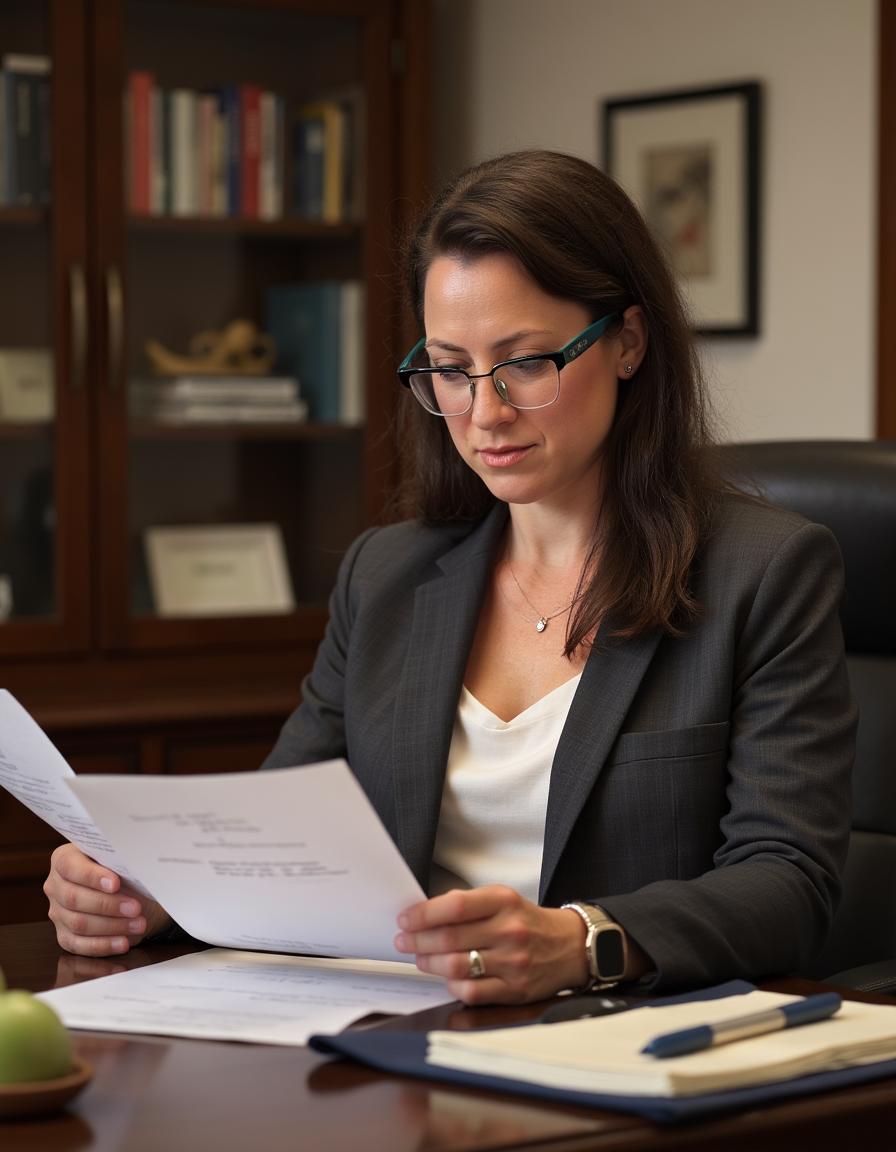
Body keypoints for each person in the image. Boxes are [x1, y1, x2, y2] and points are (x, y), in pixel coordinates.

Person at [44, 149, 856, 1004]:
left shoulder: (764, 574)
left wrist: (584, 941)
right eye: (450, 368)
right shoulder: (386, 574)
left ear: (627, 341)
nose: (485, 412)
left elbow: (789, 883)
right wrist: (152, 892)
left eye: (526, 362)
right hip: (391, 1030)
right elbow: (277, 836)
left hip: (618, 1044)